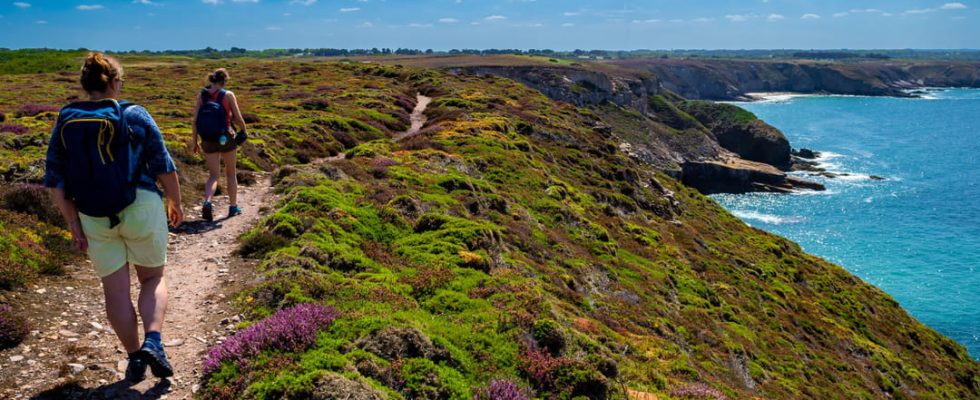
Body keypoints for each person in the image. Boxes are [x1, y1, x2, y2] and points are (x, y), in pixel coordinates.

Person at [44, 52, 182, 383]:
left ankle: (135, 358)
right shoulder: (135, 114)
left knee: (115, 292)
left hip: (93, 214)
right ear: (115, 83)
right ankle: (153, 341)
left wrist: (74, 224)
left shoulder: (66, 119)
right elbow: (162, 163)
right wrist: (174, 200)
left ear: (85, 84)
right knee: (151, 278)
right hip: (141, 205)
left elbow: (56, 181)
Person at [190, 68, 247, 222]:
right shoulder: (227, 95)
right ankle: (233, 206)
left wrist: (195, 142)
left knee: (213, 175)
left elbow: (195, 121)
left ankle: (207, 202)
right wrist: (244, 130)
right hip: (225, 137)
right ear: (224, 81)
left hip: (207, 138)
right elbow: (238, 117)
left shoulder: (202, 95)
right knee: (230, 172)